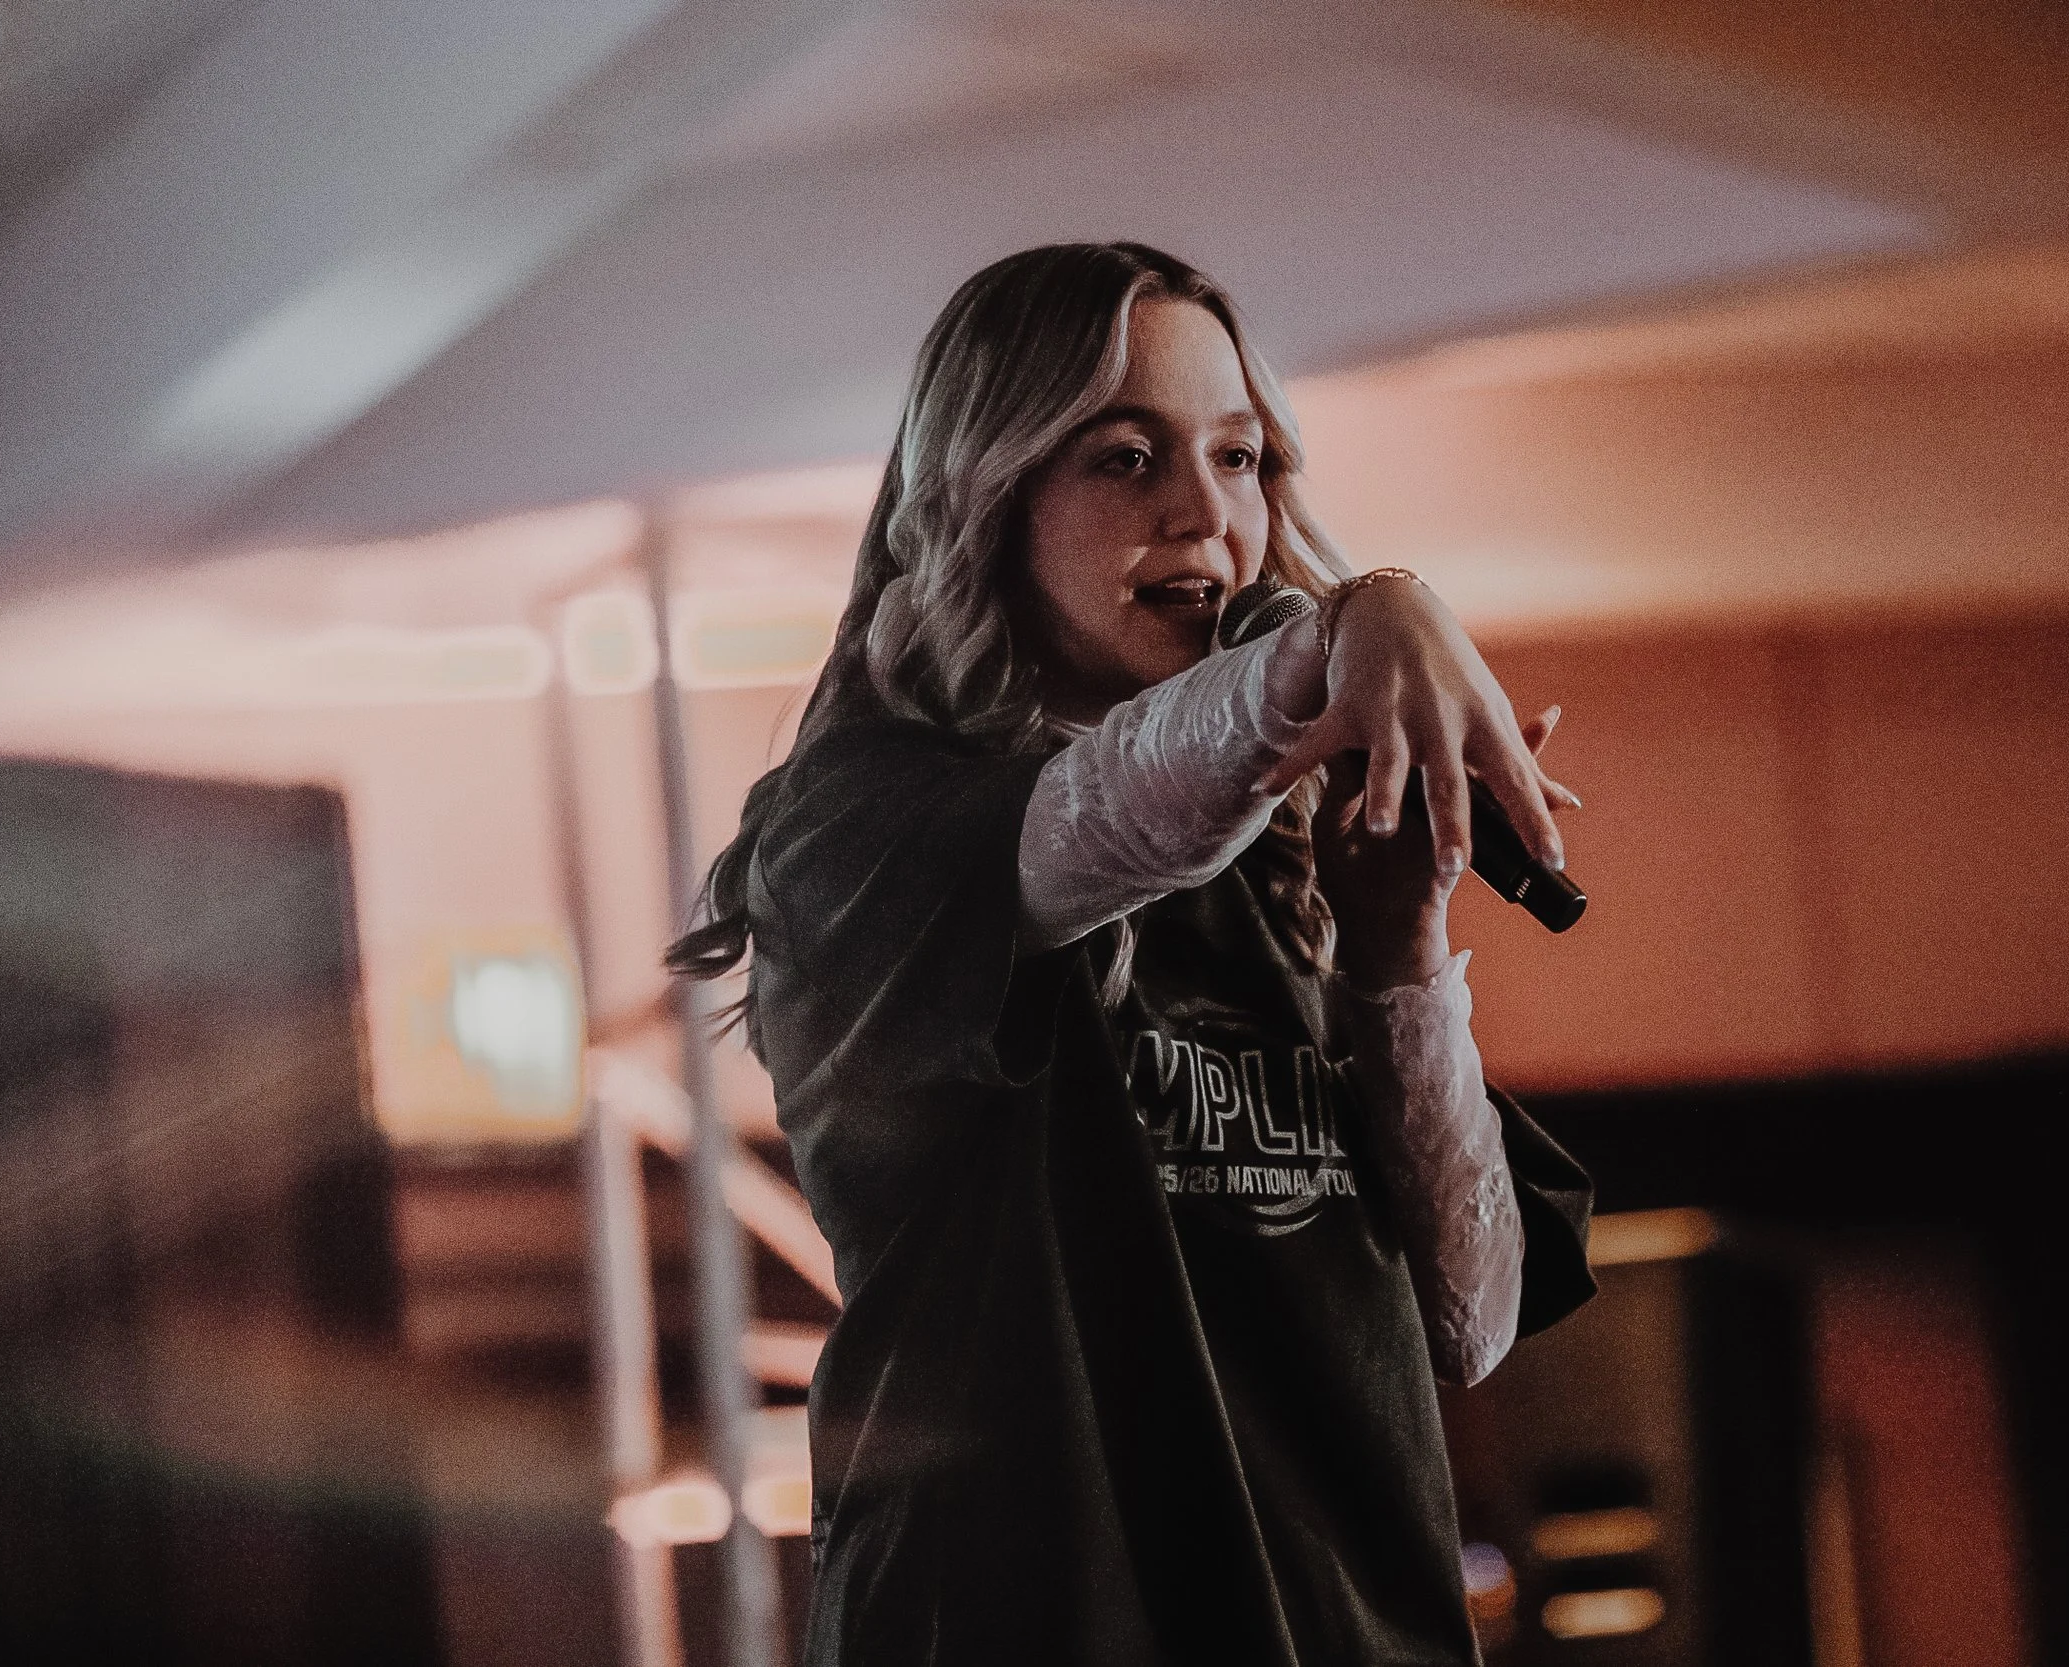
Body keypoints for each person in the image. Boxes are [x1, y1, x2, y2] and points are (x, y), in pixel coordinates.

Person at [669, 241, 1595, 1666]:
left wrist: (1398, 948)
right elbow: (1104, 814)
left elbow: (1467, 1320)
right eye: (1123, 458)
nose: (1204, 518)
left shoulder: (1276, 876)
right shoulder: (860, 830)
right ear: (989, 494)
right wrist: (1348, 629)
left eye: (1239, 460)